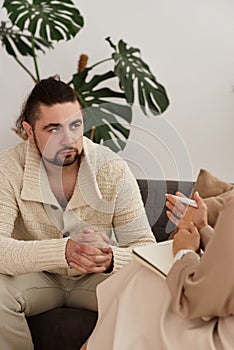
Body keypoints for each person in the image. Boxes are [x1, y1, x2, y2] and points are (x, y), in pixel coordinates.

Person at [0, 76, 156, 349]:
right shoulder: (7, 168)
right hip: (38, 277)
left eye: (75, 125)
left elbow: (145, 248)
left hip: (96, 280)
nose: (69, 139)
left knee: (154, 289)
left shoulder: (113, 168)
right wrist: (64, 251)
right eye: (53, 129)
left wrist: (110, 259)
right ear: (29, 130)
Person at [80, 190, 234, 350]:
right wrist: (201, 228)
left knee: (142, 279)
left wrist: (185, 252)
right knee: (142, 278)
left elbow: (197, 299)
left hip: (219, 338)